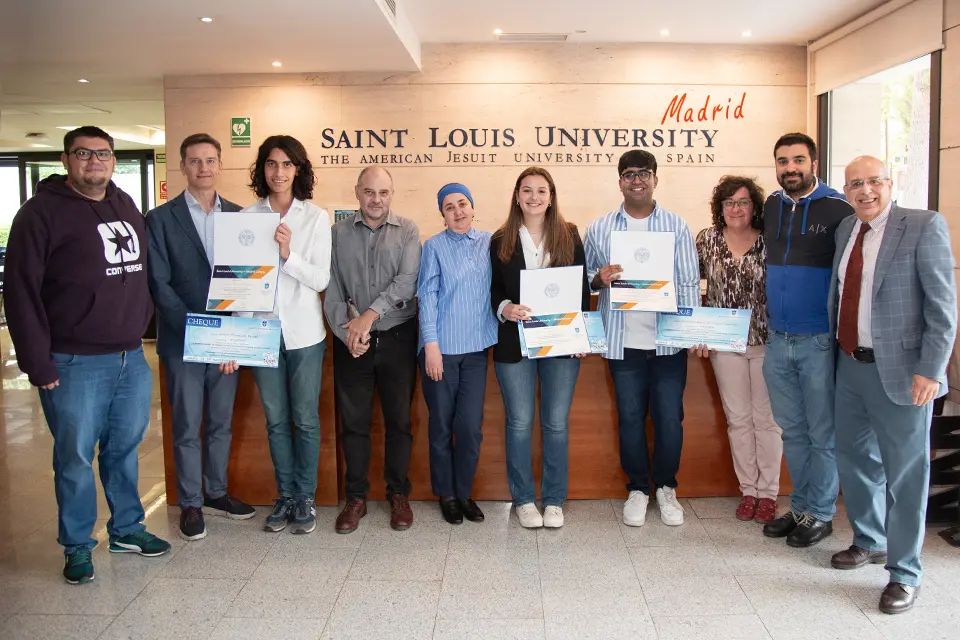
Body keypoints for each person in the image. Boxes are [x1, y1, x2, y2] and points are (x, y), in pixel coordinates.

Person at [5, 126, 171, 584]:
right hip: (74, 362)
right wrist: (37, 363)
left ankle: (127, 528)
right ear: (66, 159)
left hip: (129, 357)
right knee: (75, 457)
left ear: (113, 160)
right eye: (84, 153)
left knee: (124, 449)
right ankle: (77, 545)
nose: (95, 161)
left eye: (103, 154)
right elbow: (21, 294)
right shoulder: (40, 214)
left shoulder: (122, 202)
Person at [828, 156, 956, 614]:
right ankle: (869, 539)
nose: (865, 191)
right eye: (855, 184)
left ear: (890, 183)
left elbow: (943, 307)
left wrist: (931, 369)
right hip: (850, 367)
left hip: (905, 374)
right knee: (856, 461)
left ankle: (905, 573)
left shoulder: (923, 226)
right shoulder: (846, 231)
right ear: (845, 192)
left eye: (874, 181)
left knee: (906, 475)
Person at [146, 133, 255, 542]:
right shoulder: (160, 219)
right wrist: (199, 330)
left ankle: (217, 493)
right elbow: (159, 285)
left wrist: (231, 338)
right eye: (195, 161)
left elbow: (249, 282)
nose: (203, 168)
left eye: (211, 160)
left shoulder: (240, 216)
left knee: (221, 424)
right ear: (183, 166)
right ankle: (191, 503)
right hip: (184, 339)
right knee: (189, 423)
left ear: (220, 165)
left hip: (227, 341)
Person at [584, 150, 700, 528]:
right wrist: (598, 279)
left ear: (655, 178)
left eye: (644, 173)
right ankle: (637, 488)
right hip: (622, 342)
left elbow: (686, 283)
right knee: (631, 418)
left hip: (666, 343)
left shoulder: (676, 226)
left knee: (670, 419)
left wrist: (691, 330)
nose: (637, 180)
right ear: (619, 181)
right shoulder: (600, 228)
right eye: (630, 174)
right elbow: (585, 278)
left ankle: (666, 487)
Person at [761, 133, 853, 548]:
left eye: (798, 160)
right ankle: (800, 507)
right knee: (791, 430)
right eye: (783, 161)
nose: (790, 168)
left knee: (821, 432)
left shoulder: (839, 208)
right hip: (778, 339)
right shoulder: (772, 205)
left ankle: (821, 512)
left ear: (813, 162)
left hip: (818, 339)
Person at [236, 135, 331, 535]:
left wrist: (288, 255)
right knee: (275, 420)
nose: (279, 172)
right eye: (272, 164)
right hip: (261, 332)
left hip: (305, 334)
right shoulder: (246, 217)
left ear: (298, 170)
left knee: (305, 419)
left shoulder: (315, 218)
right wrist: (236, 337)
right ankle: (286, 494)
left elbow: (321, 277)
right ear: (263, 169)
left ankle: (306, 497)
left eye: (287, 164)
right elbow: (236, 282)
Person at [490, 166, 590, 529]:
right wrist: (505, 308)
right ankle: (523, 499)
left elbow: (580, 291)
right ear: (517, 196)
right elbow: (493, 291)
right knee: (519, 422)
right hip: (515, 341)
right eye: (527, 190)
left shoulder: (569, 234)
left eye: (541, 191)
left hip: (560, 342)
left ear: (551, 197)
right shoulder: (500, 238)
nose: (534, 197)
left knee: (556, 423)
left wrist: (580, 335)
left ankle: (553, 500)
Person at [324, 166, 421, 533]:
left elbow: (406, 282)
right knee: (354, 424)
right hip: (352, 342)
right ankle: (356, 498)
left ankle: (398, 494)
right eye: (368, 192)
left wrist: (368, 316)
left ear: (392, 193)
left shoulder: (408, 230)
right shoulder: (337, 233)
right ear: (357, 192)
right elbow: (332, 285)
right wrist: (349, 329)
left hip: (397, 337)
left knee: (399, 422)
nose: (375, 199)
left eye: (382, 192)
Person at [693, 175, 781, 524]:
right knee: (739, 420)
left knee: (768, 422)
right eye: (729, 203)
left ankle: (769, 494)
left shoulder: (771, 242)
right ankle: (749, 490)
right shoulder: (707, 240)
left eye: (743, 202)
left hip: (767, 341)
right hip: (723, 344)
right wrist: (695, 332)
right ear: (720, 208)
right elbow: (686, 284)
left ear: (755, 206)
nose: (736, 209)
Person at [418, 183, 498, 525]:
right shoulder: (433, 246)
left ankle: (464, 491)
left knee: (469, 427)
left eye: (462, 203)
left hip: (477, 349)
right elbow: (427, 295)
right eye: (449, 207)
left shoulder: (491, 242)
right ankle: (447, 494)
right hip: (442, 351)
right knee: (440, 426)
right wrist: (431, 346)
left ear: (473, 206)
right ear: (442, 214)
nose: (458, 211)